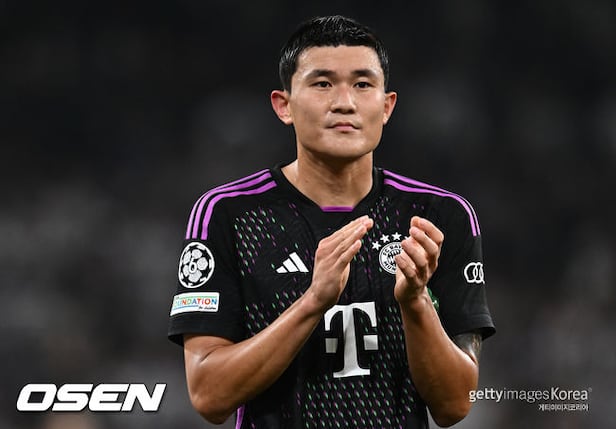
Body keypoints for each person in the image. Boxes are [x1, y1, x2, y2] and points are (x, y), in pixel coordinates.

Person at [167, 15, 495, 428]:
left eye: (363, 84)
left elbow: (455, 405)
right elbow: (209, 395)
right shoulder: (227, 214)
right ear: (284, 105)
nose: (345, 102)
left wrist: (415, 302)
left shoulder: (439, 216)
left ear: (387, 106)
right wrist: (313, 301)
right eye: (322, 84)